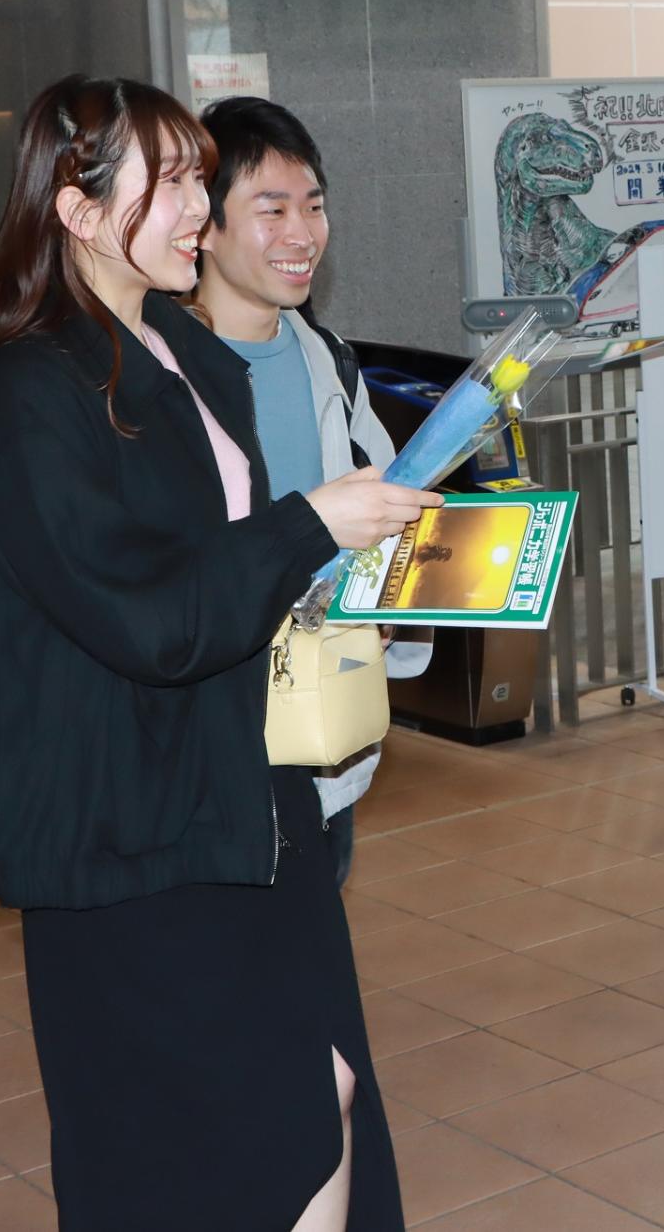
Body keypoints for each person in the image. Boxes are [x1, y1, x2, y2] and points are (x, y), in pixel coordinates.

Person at [0, 75, 438, 1230]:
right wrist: (311, 521)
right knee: (204, 1146)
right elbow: (145, 616)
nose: (196, 209)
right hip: (130, 834)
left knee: (327, 1093)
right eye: (169, 182)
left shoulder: (173, 350)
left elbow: (228, 575)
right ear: (73, 206)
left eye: (196, 179)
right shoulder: (25, 396)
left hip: (247, 797)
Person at [194, 95, 431, 889]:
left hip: (324, 719)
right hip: (211, 728)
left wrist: (397, 600)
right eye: (271, 209)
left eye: (314, 205)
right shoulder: (159, 372)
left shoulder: (326, 356)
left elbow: (386, 498)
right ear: (204, 221)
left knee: (310, 929)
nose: (302, 234)